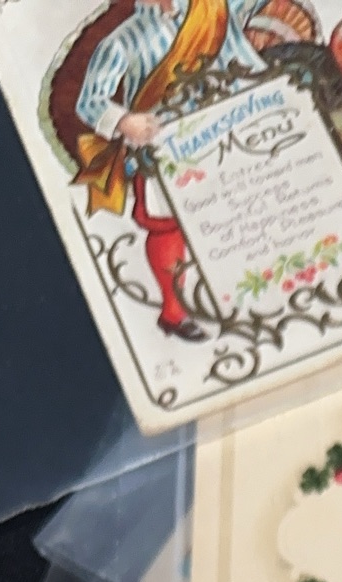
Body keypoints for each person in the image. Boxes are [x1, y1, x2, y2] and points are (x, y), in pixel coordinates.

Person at [69, 0, 268, 339]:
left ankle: (258, 296)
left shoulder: (215, 7)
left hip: (230, 131)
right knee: (168, 227)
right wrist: (124, 121)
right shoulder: (122, 41)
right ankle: (174, 313)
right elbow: (90, 102)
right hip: (166, 148)